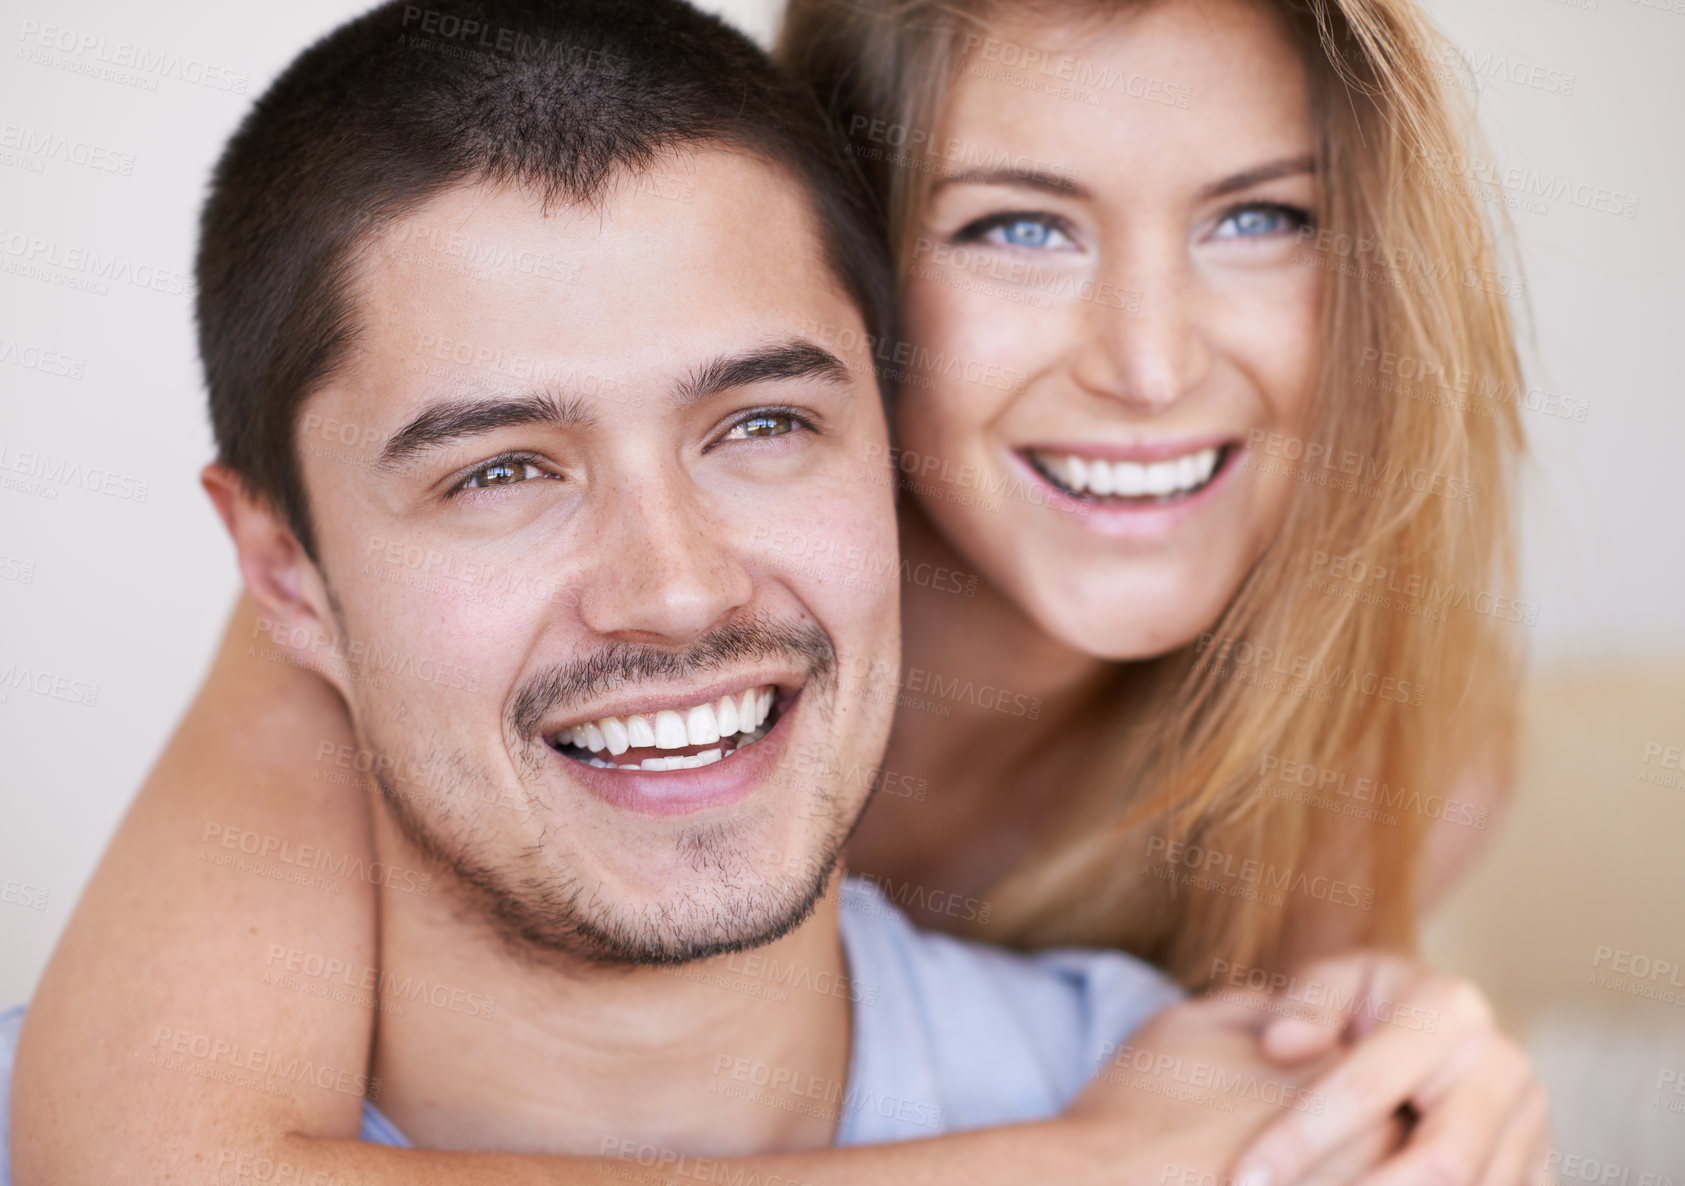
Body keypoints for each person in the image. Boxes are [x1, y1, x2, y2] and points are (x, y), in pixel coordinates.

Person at [10, 0, 1548, 1181]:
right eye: (1017, 224)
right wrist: (1080, 1166)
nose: (1147, 364)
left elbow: (1318, 1099)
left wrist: (1408, 1072)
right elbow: (144, 1157)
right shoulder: (335, 638)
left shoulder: (1363, 714)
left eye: (1259, 215)